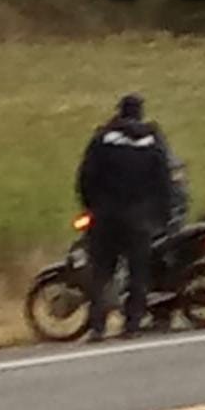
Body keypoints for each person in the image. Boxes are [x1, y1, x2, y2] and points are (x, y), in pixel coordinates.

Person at [77, 93, 176, 342]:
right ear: (140, 113)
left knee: (101, 272)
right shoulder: (152, 142)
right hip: (139, 218)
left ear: (120, 112)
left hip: (106, 216)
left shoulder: (103, 139)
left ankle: (97, 326)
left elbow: (86, 177)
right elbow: (163, 181)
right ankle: (131, 325)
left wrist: (91, 206)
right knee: (138, 273)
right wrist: (160, 215)